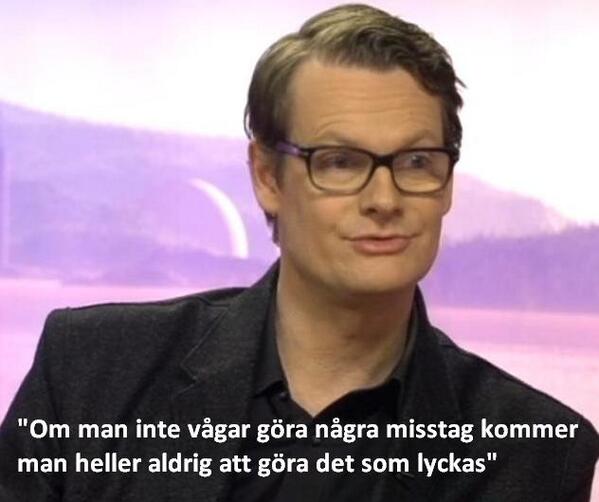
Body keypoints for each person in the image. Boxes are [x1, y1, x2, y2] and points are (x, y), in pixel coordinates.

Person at [1, 4, 598, 501]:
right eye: (339, 162)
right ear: (267, 176)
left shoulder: (537, 456)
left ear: (446, 185)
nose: (384, 199)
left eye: (417, 162)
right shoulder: (90, 373)